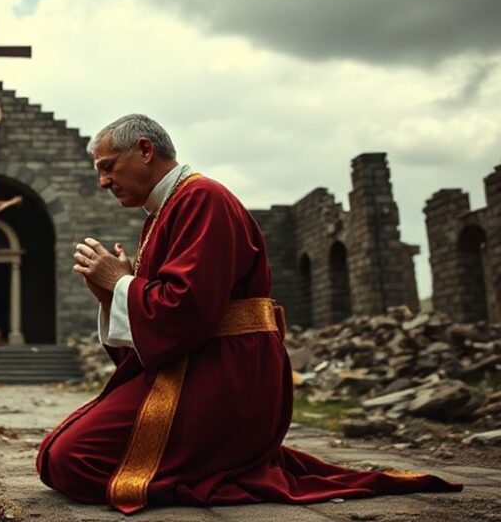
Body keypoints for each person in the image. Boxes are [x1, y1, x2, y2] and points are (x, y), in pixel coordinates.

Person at [36, 114, 460, 514]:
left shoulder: (203, 199)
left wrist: (121, 285)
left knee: (73, 460)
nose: (102, 181)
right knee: (56, 454)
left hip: (228, 373)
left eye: (108, 167)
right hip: (200, 364)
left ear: (145, 150)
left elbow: (189, 310)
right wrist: (113, 295)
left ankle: (225, 470)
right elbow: (168, 311)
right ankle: (230, 459)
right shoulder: (163, 213)